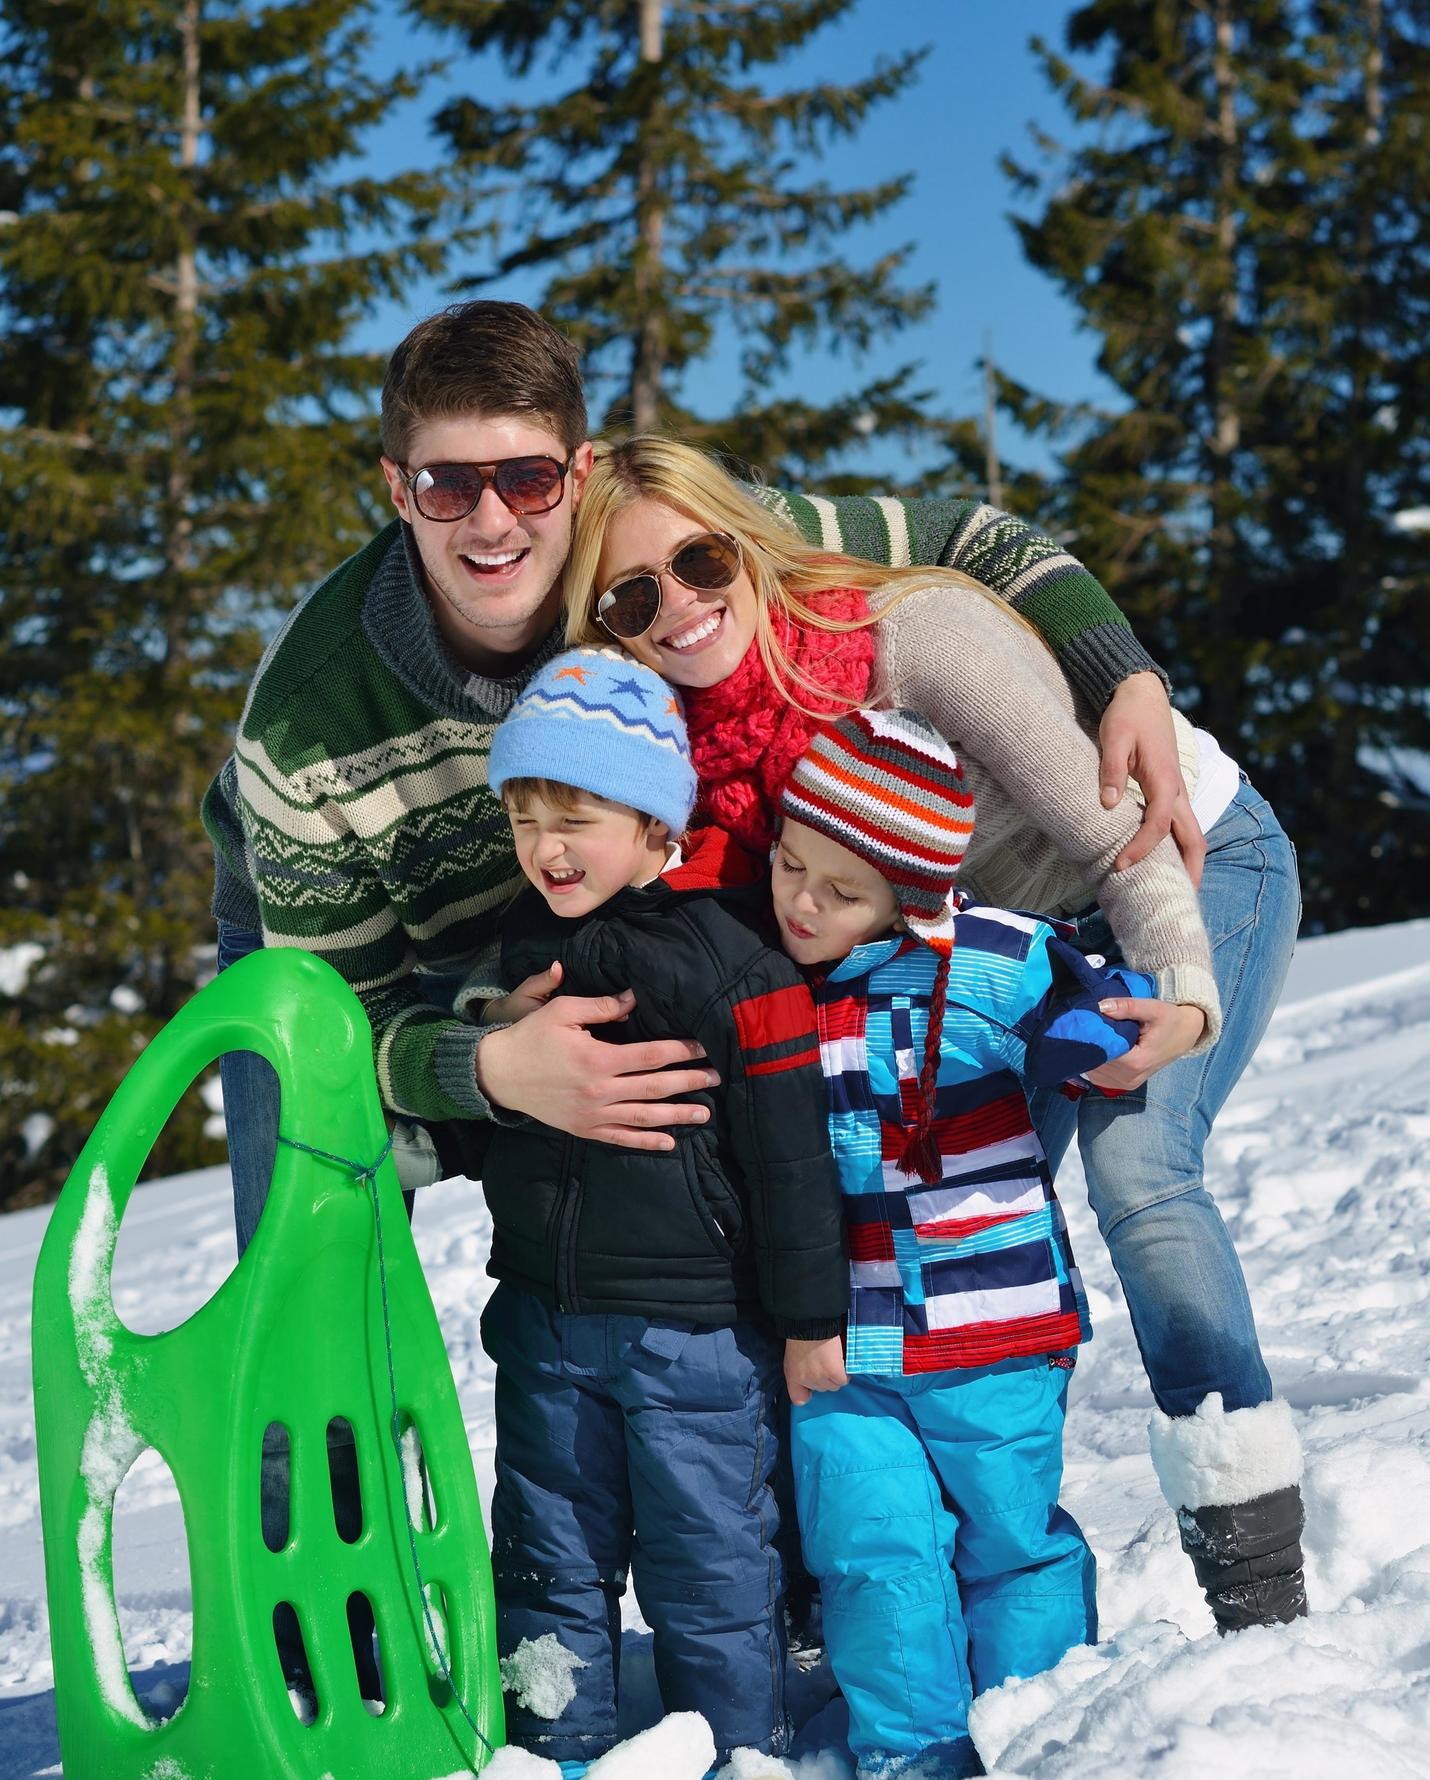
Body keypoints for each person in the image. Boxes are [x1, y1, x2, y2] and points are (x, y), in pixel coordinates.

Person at [203, 300, 1203, 1231]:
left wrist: (1124, 673)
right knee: (317, 1207)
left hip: (569, 914)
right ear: (396, 487)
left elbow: (963, 538)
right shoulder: (307, 730)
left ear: (580, 469)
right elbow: (343, 1033)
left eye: (527, 478)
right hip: (342, 924)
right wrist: (487, 1066)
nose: (493, 520)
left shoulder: (665, 564)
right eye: (447, 483)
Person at [567, 434, 1312, 1634]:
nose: (682, 606)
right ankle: (871, 1573)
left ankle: (1255, 1578)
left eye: (701, 559)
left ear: (748, 542)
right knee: (900, 1205)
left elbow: (1111, 830)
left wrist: (1178, 984)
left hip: (1178, 865)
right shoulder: (684, 751)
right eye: (633, 594)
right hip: (984, 944)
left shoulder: (908, 639)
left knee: (1137, 1163)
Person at [474, 650, 840, 1780]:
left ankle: (744, 1746)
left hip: (695, 1328)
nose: (548, 846)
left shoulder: (737, 965)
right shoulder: (508, 956)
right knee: (546, 1541)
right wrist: (485, 1031)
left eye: (574, 818)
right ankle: (557, 1743)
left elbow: (790, 1165)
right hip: (544, 1311)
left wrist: (807, 1320)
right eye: (525, 818)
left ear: (652, 825)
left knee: (709, 1546)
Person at [766, 710, 1150, 1780]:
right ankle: (910, 1757)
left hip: (996, 1330)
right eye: (792, 865)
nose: (801, 902)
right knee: (869, 1546)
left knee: (1008, 1539)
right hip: (843, 1343)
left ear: (911, 891)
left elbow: (1094, 999)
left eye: (837, 892)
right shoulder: (771, 979)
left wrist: (1090, 1036)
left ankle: (1042, 1728)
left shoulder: (987, 960)